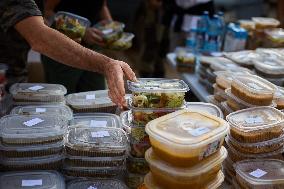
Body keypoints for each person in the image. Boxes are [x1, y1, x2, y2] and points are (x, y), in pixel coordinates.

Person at [0, 0, 136, 107]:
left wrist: (111, 29)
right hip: (59, 53)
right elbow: (39, 35)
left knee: (94, 101)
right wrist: (105, 63)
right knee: (64, 101)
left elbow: (102, 6)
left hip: (14, 72)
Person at [42, 0, 112, 93]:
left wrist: (111, 26)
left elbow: (102, 6)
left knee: (95, 95)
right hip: (64, 48)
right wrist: (82, 31)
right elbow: (46, 12)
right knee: (63, 96)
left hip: (93, 44)